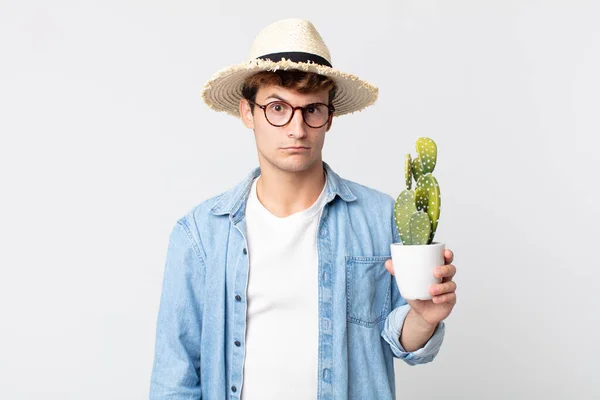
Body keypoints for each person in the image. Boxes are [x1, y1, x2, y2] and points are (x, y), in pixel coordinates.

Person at [149, 18, 457, 400]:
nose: (297, 129)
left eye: (312, 110)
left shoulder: (380, 217)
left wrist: (423, 319)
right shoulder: (201, 234)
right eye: (278, 108)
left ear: (329, 116)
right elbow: (174, 379)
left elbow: (403, 342)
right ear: (248, 112)